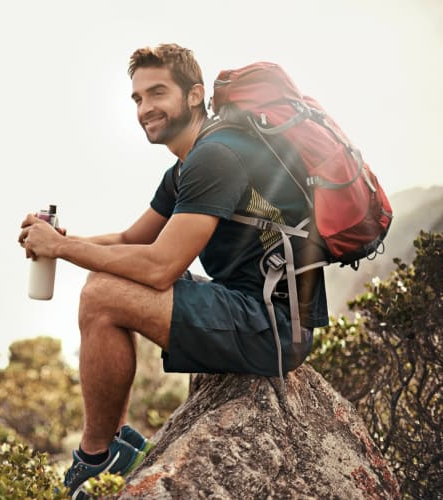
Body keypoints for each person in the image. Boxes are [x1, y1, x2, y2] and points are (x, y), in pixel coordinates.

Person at [18, 43, 328, 498]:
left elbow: (161, 266)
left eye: (157, 93)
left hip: (274, 329)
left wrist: (62, 250)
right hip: (252, 310)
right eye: (138, 98)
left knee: (103, 294)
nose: (145, 108)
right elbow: (130, 241)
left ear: (194, 95)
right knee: (104, 282)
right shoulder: (188, 165)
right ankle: (114, 448)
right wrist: (62, 240)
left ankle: (96, 458)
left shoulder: (217, 156)